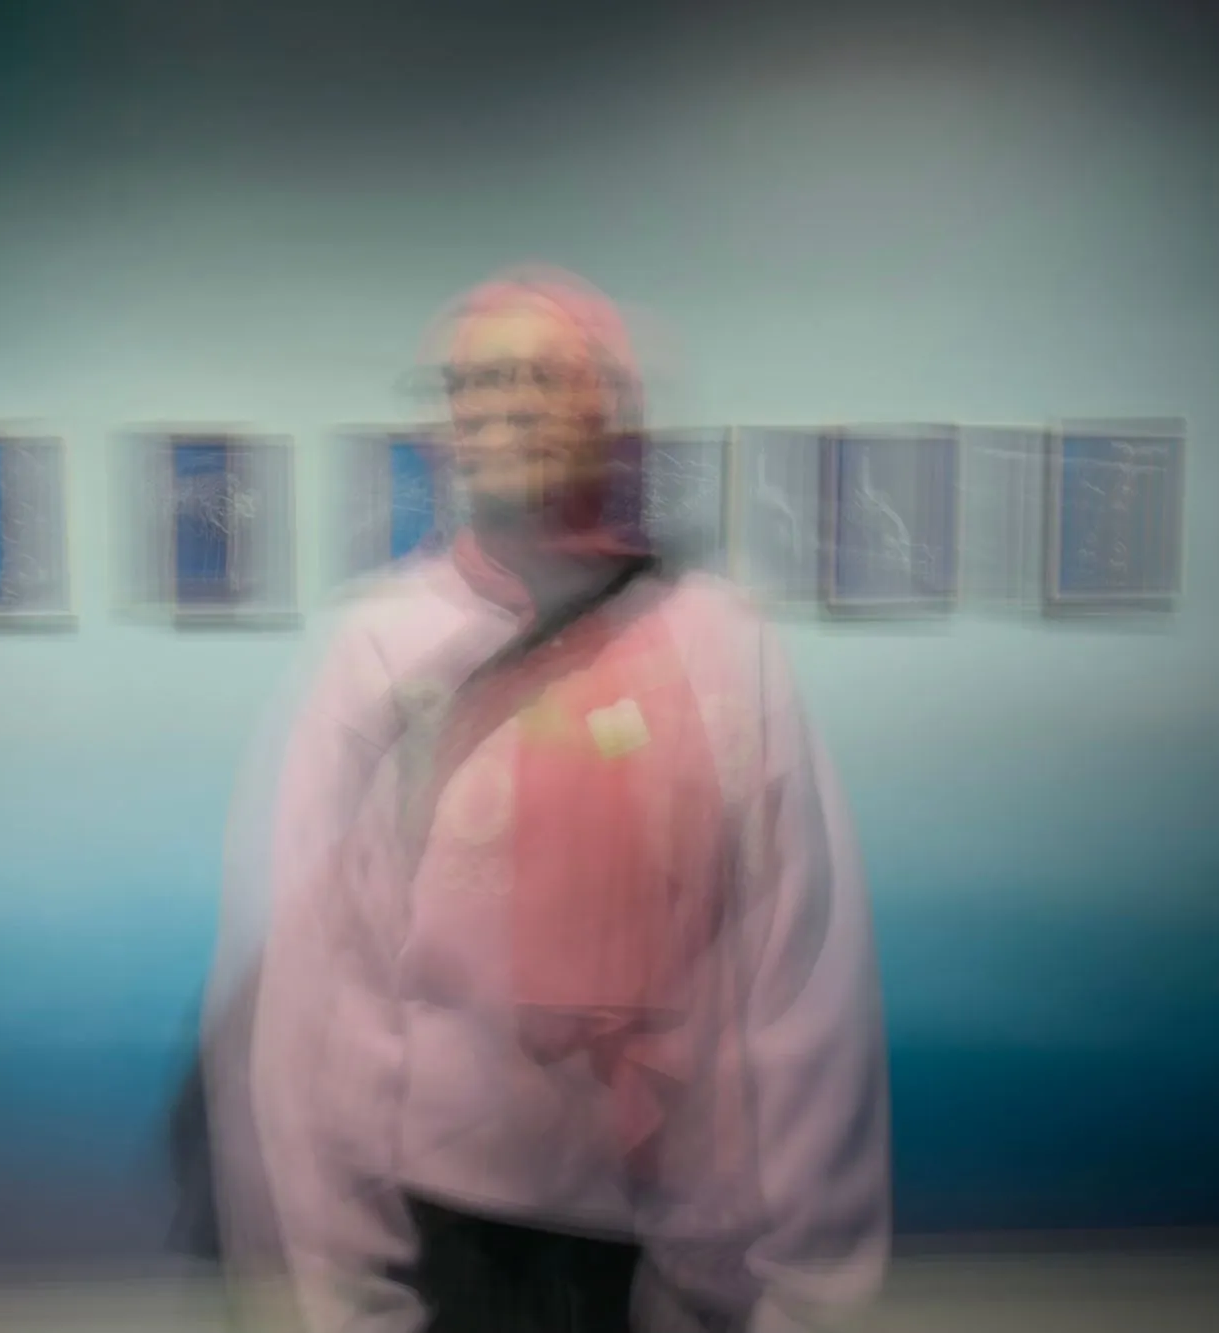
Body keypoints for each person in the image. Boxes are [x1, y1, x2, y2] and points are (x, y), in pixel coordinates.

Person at [207, 267, 890, 1333]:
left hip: (683, 1224)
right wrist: (341, 1289)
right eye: (469, 383)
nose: (499, 406)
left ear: (607, 407)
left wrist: (805, 1281)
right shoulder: (378, 647)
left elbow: (796, 971)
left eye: (537, 375)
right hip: (451, 1227)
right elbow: (316, 994)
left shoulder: (717, 641)